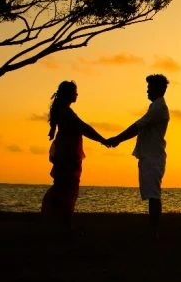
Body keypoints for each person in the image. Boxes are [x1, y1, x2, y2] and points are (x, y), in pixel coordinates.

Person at [107, 74, 170, 239]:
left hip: (153, 156)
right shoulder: (155, 107)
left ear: (159, 89)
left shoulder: (158, 108)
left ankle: (153, 231)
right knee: (152, 194)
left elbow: (137, 126)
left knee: (154, 195)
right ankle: (152, 230)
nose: (147, 91)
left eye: (150, 88)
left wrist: (117, 139)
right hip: (150, 155)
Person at [42, 81, 109, 230]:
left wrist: (52, 129)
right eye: (75, 92)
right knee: (68, 188)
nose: (77, 94)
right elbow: (84, 127)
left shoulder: (61, 110)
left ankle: (58, 220)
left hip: (65, 152)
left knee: (63, 186)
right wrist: (103, 140)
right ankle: (64, 223)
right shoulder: (66, 112)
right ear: (68, 94)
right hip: (68, 153)